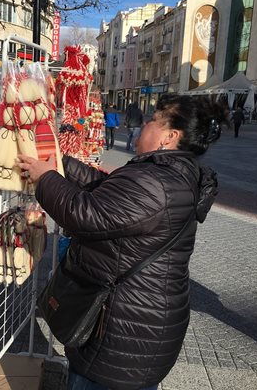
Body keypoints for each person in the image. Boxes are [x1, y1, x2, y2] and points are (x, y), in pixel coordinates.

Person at [17, 94, 226, 390]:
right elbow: (108, 192)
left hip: (123, 335)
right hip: (140, 327)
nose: (141, 126)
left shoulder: (156, 182)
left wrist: (46, 178)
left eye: (153, 120)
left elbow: (85, 214)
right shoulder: (170, 173)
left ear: (169, 136)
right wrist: (62, 164)